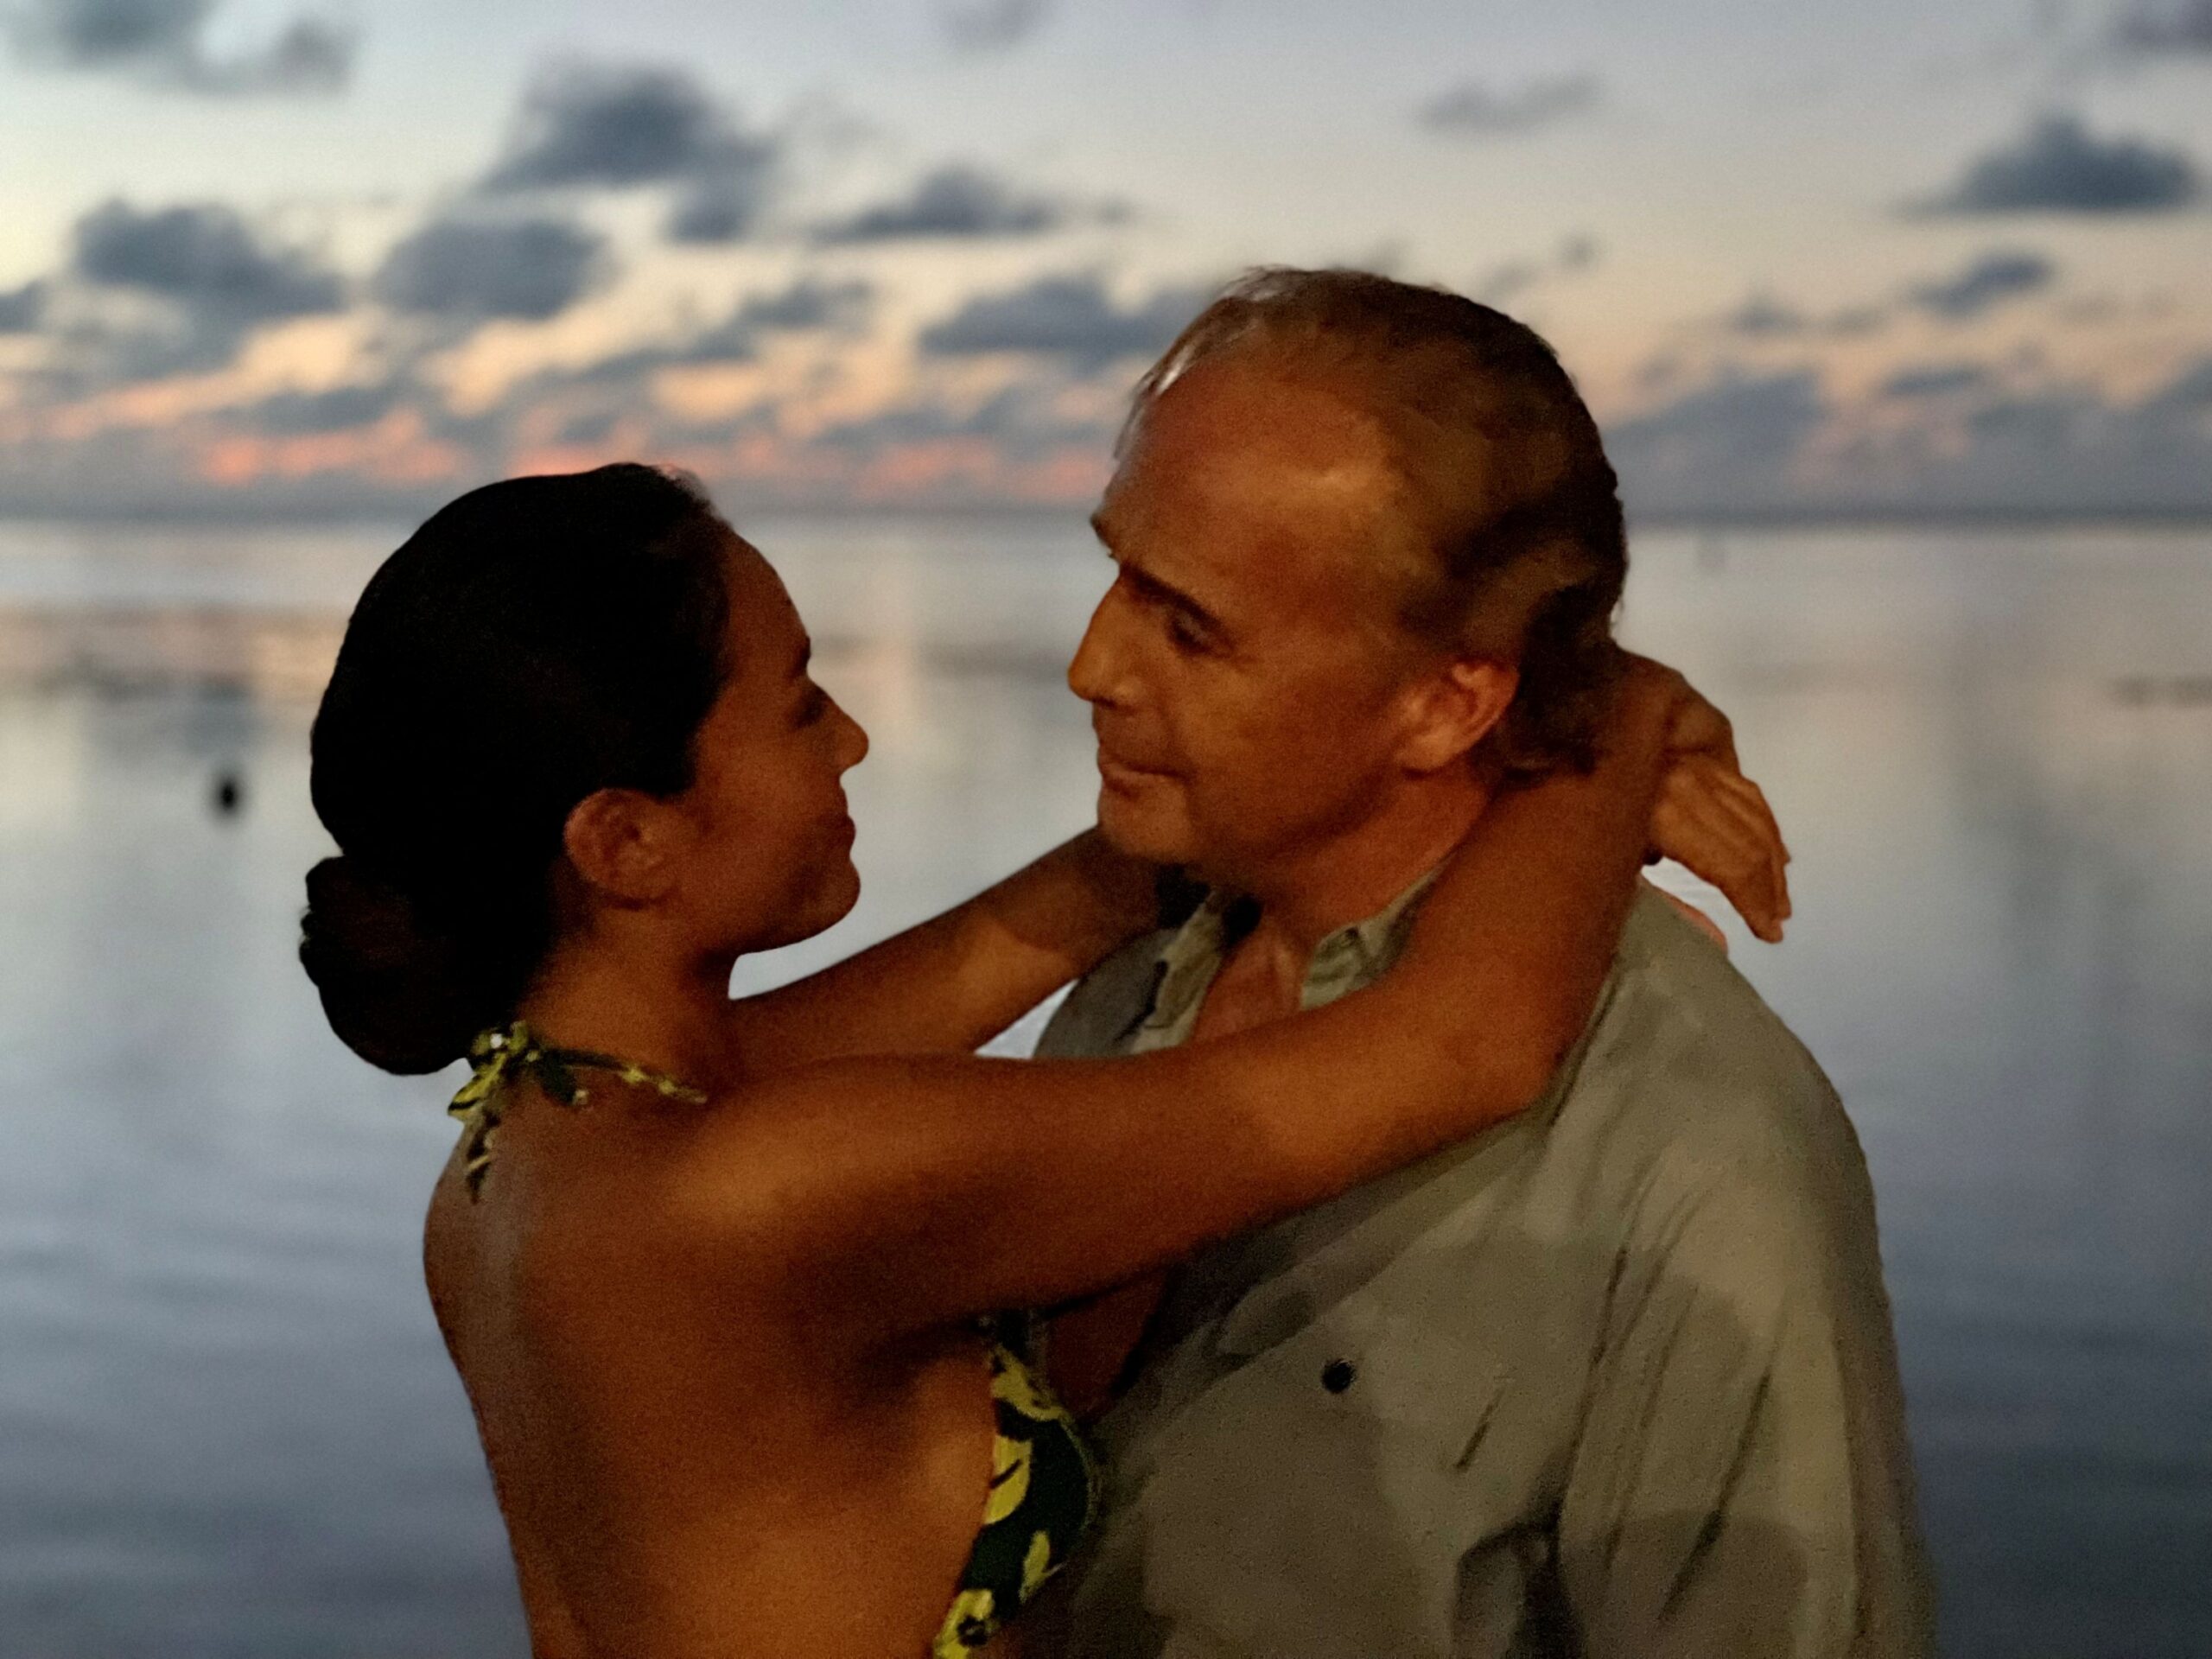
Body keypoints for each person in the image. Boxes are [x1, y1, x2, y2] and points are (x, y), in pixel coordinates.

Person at [298, 462, 1775, 1659]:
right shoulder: (769, 1196)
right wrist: (1608, 720)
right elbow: (1462, 1047)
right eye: (803, 703)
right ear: (624, 839)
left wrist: (1269, 778)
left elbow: (1009, 939)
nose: (857, 739)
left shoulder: (525, 1159)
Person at [1027, 269, 1935, 1658]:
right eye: (1113, 573)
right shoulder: (1121, 998)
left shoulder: (1691, 1144)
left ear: (1450, 699)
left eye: (1187, 624)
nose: (1094, 664)